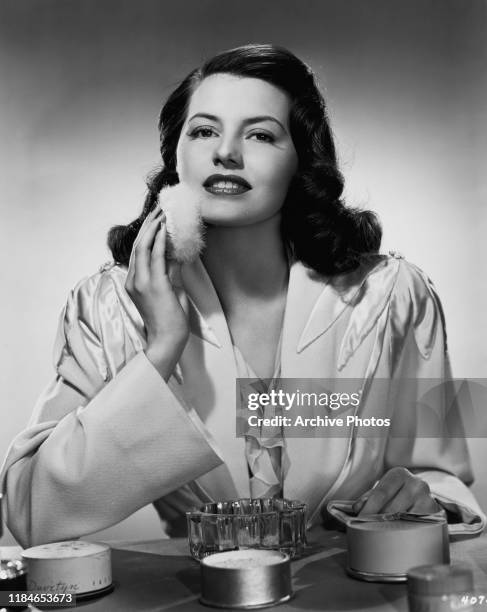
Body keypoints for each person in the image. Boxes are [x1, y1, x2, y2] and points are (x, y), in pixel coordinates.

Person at [1, 44, 484, 548]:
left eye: (260, 134)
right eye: (204, 130)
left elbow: (444, 474)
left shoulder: (395, 296)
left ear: (302, 160)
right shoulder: (107, 307)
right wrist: (160, 350)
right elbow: (31, 513)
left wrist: (426, 497)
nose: (226, 152)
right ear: (176, 158)